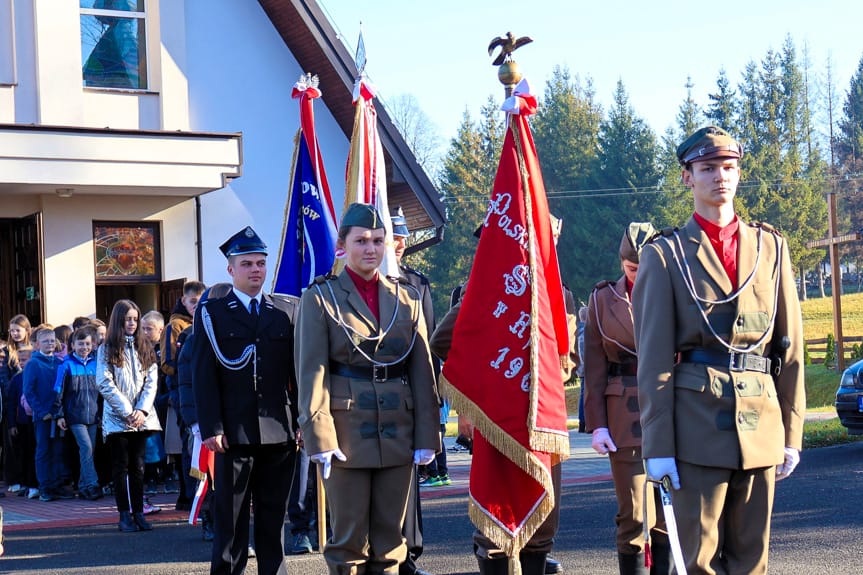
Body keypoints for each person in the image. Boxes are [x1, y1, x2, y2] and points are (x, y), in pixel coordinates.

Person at [632, 126, 806, 574]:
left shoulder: (771, 247)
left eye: (729, 167)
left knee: (753, 559)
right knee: (700, 561)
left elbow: (789, 351)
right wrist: (658, 446)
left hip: (761, 422)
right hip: (697, 427)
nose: (720, 177)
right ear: (687, 177)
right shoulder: (665, 255)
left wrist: (791, 432)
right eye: (708, 168)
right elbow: (653, 362)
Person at [295, 203, 440, 574]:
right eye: (361, 241)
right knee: (348, 542)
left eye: (378, 240)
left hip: (398, 427)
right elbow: (312, 371)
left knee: (391, 541)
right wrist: (319, 437)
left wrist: (427, 434)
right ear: (342, 246)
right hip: (346, 432)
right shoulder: (320, 297)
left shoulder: (406, 298)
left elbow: (422, 370)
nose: (371, 248)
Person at [192, 227, 299, 575]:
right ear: (231, 270)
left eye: (261, 263)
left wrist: (300, 422)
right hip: (233, 435)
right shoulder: (212, 313)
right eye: (247, 263)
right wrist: (211, 426)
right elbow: (203, 375)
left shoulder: (285, 310)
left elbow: (297, 373)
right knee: (230, 521)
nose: (256, 270)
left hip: (279, 433)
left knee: (273, 519)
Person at [583, 222, 671, 575]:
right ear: (622, 263)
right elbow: (593, 368)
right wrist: (598, 425)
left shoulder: (672, 291)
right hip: (624, 414)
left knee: (669, 511)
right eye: (632, 268)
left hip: (669, 407)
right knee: (633, 514)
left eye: (644, 266)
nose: (638, 274)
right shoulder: (603, 300)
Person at [391, 206, 438, 575]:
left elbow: (430, 346)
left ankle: (409, 552)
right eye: (393, 238)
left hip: (409, 392)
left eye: (402, 240)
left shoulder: (417, 283)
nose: (399, 245)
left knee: (408, 480)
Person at [97, 299, 162, 533]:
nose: (132, 323)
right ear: (118, 321)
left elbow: (152, 381)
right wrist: (127, 411)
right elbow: (104, 382)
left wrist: (142, 410)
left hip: (142, 418)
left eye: (135, 319)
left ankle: (139, 512)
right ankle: (124, 514)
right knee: (121, 467)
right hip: (118, 419)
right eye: (128, 319)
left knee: (139, 467)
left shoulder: (144, 347)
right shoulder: (106, 348)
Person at [53, 325, 103, 501]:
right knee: (86, 447)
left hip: (93, 416)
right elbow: (58, 391)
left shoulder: (95, 365)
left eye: (88, 344)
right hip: (74, 416)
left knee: (89, 451)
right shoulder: (66, 365)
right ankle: (92, 484)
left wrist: (102, 415)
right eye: (80, 344)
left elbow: (102, 392)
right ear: (72, 345)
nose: (84, 348)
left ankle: (83, 486)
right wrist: (59, 415)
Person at [23, 325, 69, 502]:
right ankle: (45, 487)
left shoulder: (59, 363)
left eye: (52, 340)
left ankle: (57, 484)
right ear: (37, 345)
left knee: (58, 450)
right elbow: (29, 391)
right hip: (42, 417)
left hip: (58, 415)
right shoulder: (33, 364)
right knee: (43, 451)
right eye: (45, 341)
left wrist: (60, 413)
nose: (49, 344)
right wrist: (42, 412)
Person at [5, 346, 38, 499]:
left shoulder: (37, 374)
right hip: (22, 422)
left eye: (25, 360)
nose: (22, 363)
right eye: (20, 360)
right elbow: (11, 404)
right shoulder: (17, 378)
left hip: (35, 420)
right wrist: (12, 424)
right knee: (24, 453)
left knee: (35, 452)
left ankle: (34, 482)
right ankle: (24, 482)